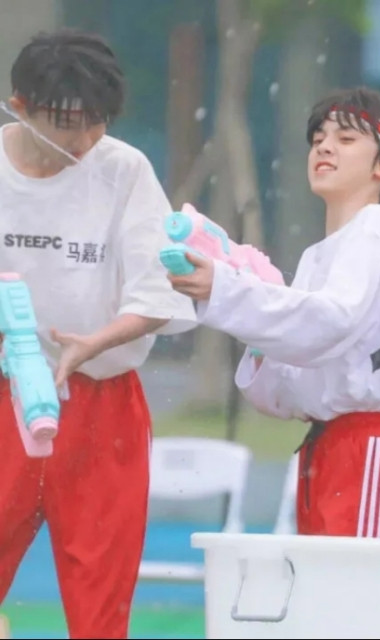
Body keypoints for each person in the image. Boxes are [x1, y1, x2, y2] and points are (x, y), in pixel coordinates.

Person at [0, 28, 196, 639]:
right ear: (20, 106)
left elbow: (159, 291)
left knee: (100, 608)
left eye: (96, 123)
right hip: (6, 396)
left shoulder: (124, 169)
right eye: (66, 124)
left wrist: (96, 343)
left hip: (100, 406)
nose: (83, 142)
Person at [169, 86, 380, 540]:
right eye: (318, 139)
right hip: (329, 448)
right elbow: (283, 393)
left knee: (356, 583)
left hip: (369, 447)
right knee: (325, 583)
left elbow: (330, 323)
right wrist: (249, 315)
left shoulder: (376, 224)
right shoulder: (318, 254)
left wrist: (231, 291)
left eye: (346, 139)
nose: (324, 147)